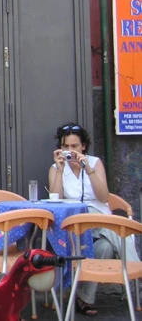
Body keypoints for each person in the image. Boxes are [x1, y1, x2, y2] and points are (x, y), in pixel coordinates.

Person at [47, 122, 139, 316]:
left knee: (106, 240)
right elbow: (55, 200)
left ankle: (83, 297)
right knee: (113, 237)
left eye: (74, 146)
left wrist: (88, 169)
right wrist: (61, 170)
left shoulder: (95, 163)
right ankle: (137, 275)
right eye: (65, 147)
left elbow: (104, 197)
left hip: (100, 219)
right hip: (74, 224)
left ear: (83, 147)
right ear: (60, 148)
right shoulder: (55, 168)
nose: (70, 151)